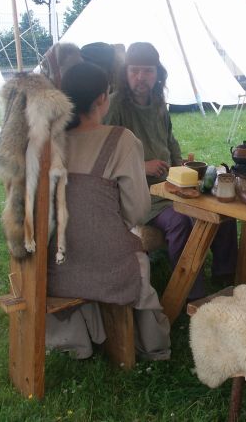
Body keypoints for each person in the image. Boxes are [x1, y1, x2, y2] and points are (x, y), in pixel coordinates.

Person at [46, 61, 171, 361]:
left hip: (57, 269)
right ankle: (143, 341)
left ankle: (83, 335)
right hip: (112, 271)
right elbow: (137, 211)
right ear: (103, 98)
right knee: (133, 258)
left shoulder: (47, 143)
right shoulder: (122, 141)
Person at [105, 41, 237, 300]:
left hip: (170, 186)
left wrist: (183, 171)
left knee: (222, 208)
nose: (140, 77)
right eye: (134, 71)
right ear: (125, 73)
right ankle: (191, 294)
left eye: (147, 71)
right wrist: (142, 166)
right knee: (180, 221)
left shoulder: (157, 103)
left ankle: (226, 276)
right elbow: (105, 159)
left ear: (157, 74)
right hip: (138, 195)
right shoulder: (114, 107)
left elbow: (170, 143)